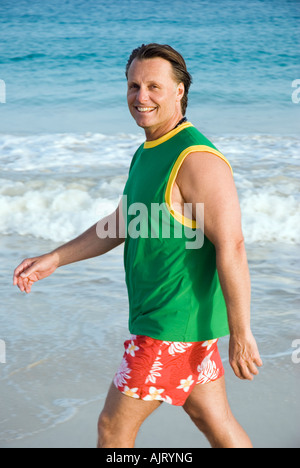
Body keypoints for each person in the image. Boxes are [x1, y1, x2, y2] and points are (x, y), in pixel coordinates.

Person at [13, 43, 263, 448]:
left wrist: (241, 331)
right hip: (179, 325)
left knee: (112, 430)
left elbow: (231, 245)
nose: (141, 97)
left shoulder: (196, 157)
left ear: (179, 90)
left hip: (169, 327)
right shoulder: (149, 150)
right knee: (214, 421)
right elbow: (119, 224)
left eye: (153, 86)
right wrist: (55, 258)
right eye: (133, 86)